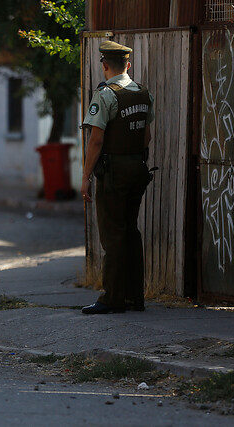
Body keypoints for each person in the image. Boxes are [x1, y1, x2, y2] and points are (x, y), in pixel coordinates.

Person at [80, 40, 155, 314]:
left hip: (114, 173)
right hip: (137, 169)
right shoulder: (143, 94)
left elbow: (96, 141)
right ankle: (135, 297)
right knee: (131, 232)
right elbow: (146, 136)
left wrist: (86, 176)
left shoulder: (106, 95)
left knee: (113, 234)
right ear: (128, 65)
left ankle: (112, 298)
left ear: (104, 66)